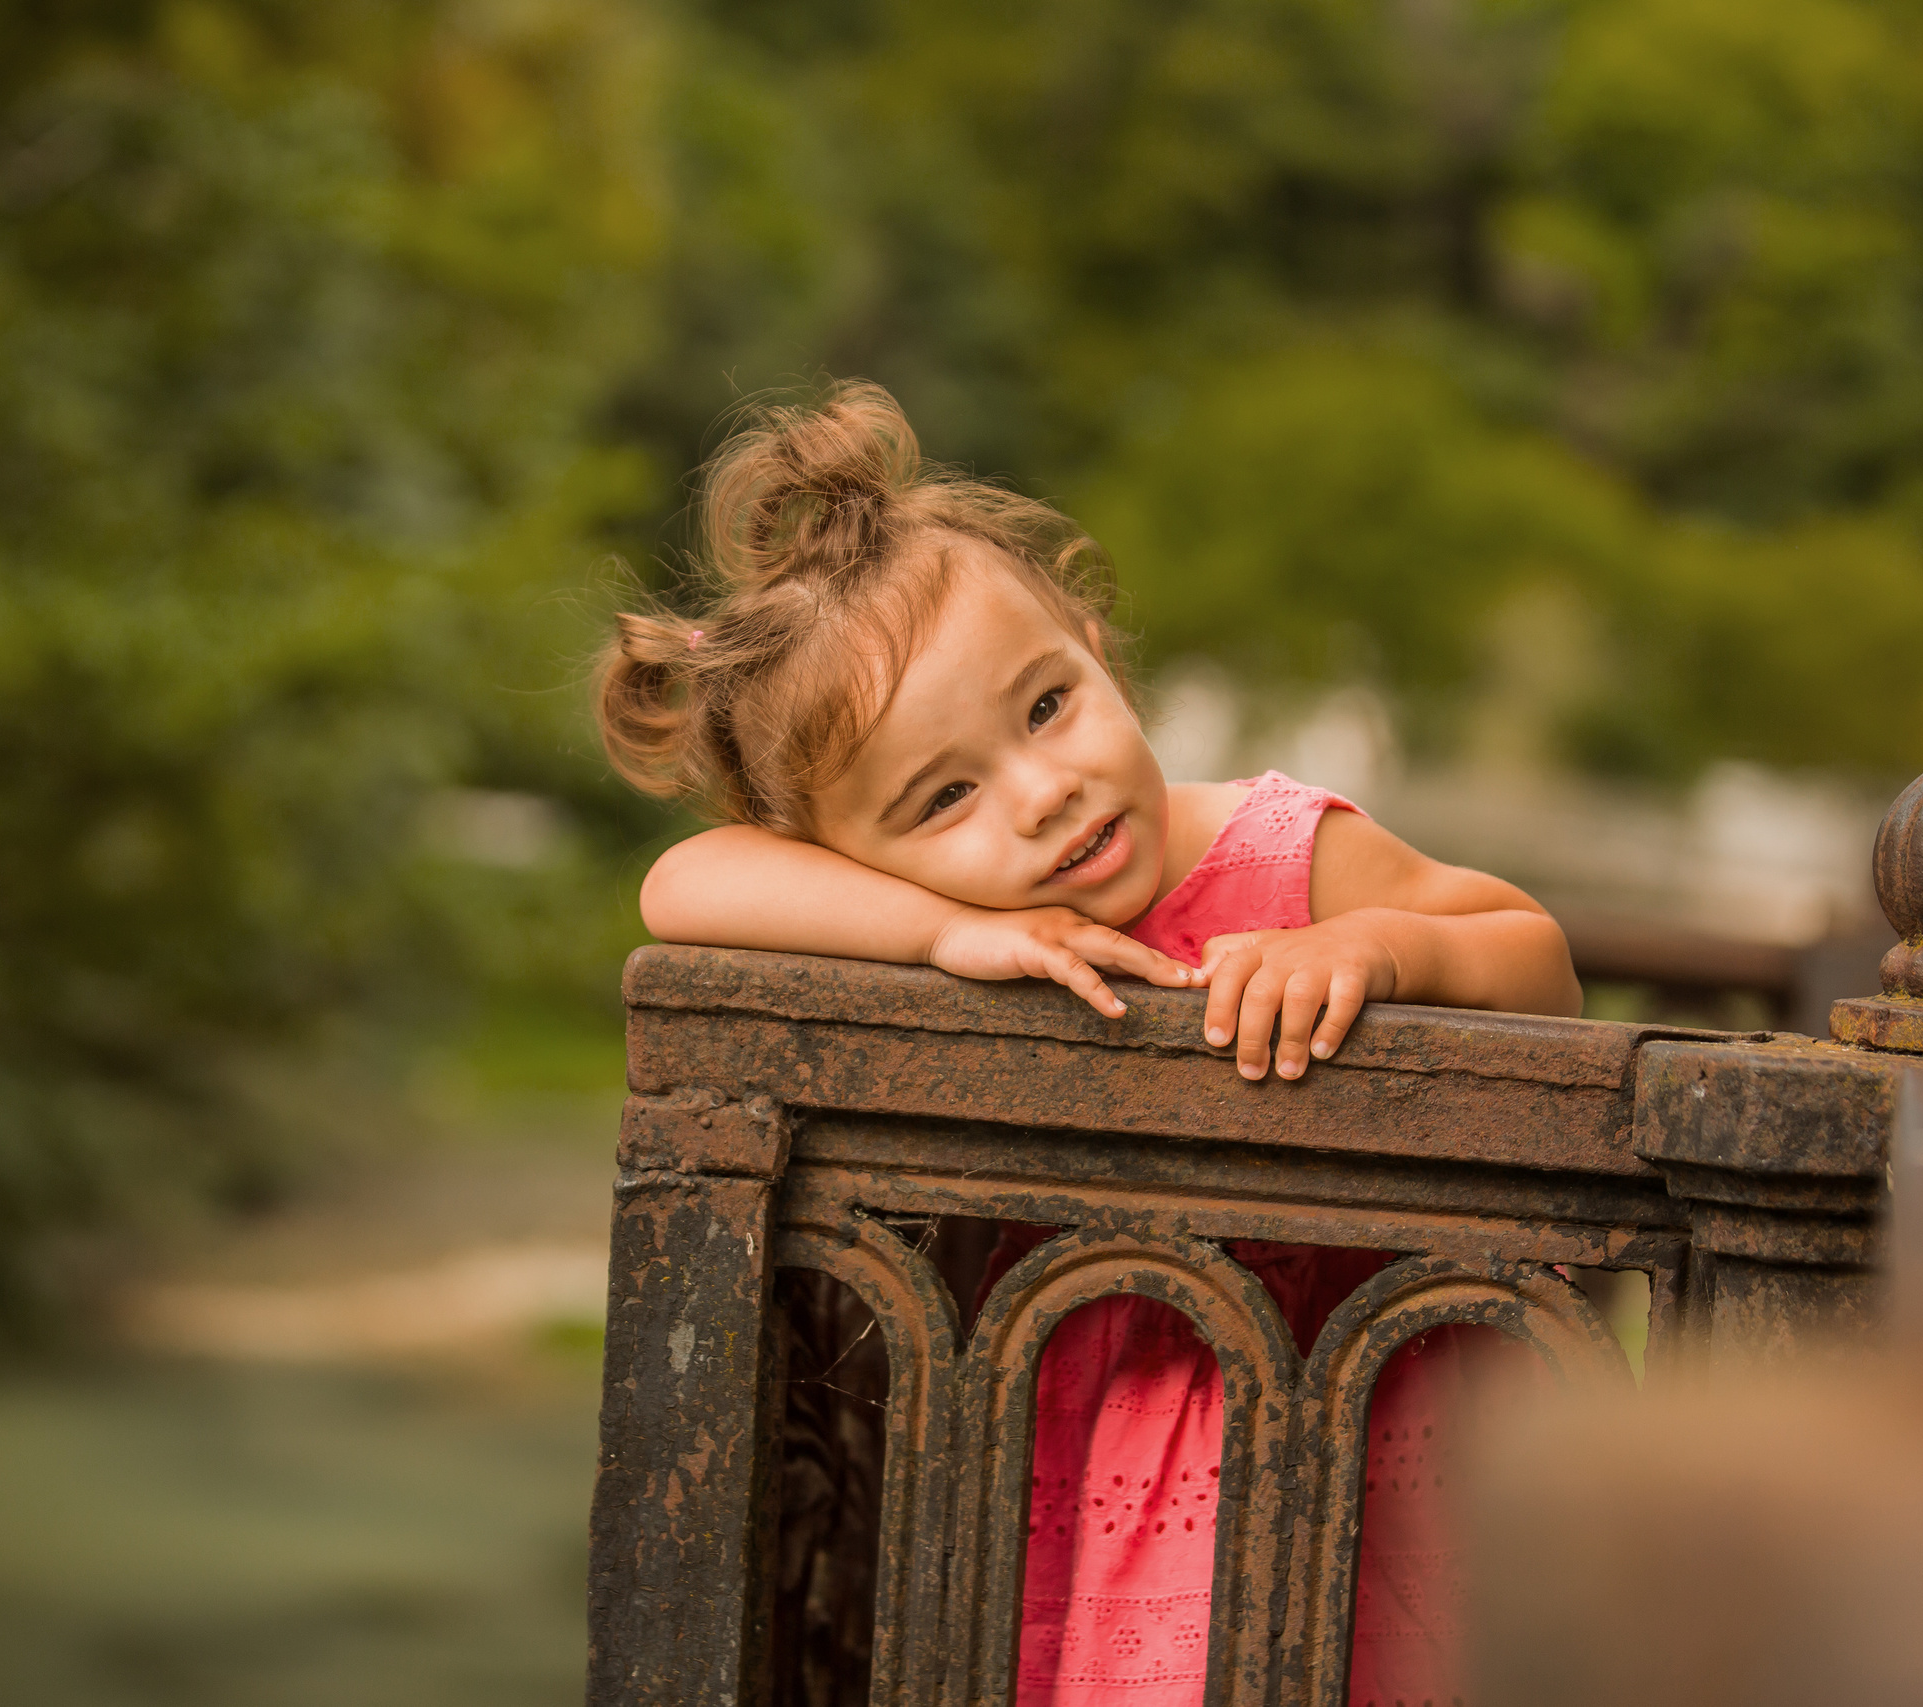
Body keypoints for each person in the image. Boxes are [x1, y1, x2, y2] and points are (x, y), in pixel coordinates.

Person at [598, 380, 1580, 1706]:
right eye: (946, 796)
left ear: (1091, 634)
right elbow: (682, 890)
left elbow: (1537, 960)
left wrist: (1381, 951)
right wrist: (942, 934)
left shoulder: (1277, 851)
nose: (1043, 788)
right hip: (1087, 1428)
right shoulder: (961, 919)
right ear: (849, 855)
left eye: (1048, 705)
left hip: (1355, 1421)